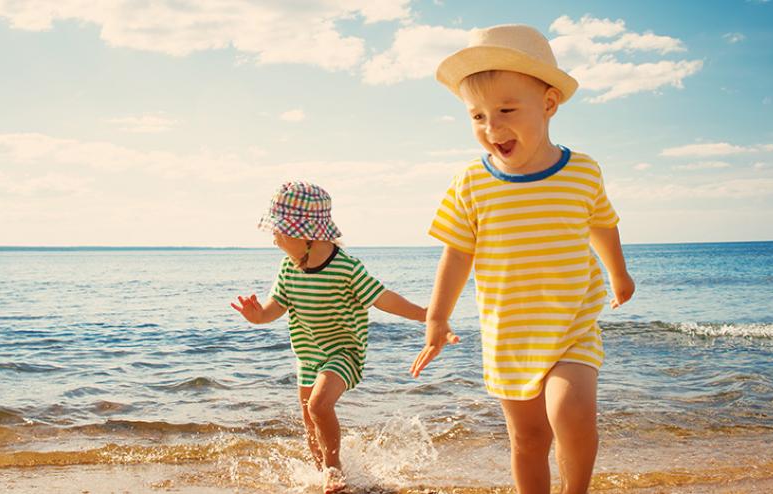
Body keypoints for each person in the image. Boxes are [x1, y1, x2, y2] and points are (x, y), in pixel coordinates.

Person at [409, 24, 636, 494]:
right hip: (508, 336)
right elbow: (456, 254)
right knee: (528, 438)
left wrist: (619, 274)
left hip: (572, 326)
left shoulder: (582, 171)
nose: (492, 129)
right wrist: (437, 317)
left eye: (506, 110)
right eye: (477, 117)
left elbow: (602, 223)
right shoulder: (471, 182)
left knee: (570, 415)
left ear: (548, 104)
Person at [232, 181, 428, 494]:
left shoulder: (346, 268)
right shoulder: (288, 268)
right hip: (308, 354)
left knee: (319, 407)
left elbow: (382, 297)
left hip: (344, 351)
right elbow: (275, 306)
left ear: (304, 233)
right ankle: (322, 474)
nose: (273, 238)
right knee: (310, 418)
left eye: (278, 231)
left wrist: (423, 314)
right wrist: (258, 316)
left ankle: (334, 468)